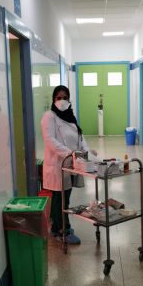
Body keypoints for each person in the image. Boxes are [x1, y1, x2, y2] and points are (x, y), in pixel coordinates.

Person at [41, 85, 95, 244]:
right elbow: (50, 140)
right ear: (53, 99)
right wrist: (70, 154)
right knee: (60, 199)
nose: (62, 101)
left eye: (65, 98)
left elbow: (80, 137)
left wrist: (87, 152)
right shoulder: (49, 116)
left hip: (71, 164)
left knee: (65, 198)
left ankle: (57, 227)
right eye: (59, 98)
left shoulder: (70, 116)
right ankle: (63, 231)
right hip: (58, 164)